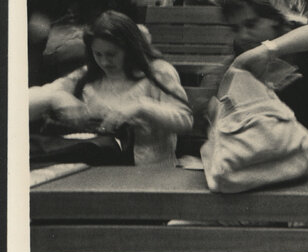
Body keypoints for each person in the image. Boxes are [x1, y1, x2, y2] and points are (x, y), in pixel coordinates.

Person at [29, 11, 192, 167]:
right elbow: (21, 103)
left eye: (111, 54)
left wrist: (142, 107)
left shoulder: (158, 72)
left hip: (150, 174)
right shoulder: (88, 74)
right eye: (98, 54)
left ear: (129, 49)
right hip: (96, 169)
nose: (104, 62)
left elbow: (185, 120)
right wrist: (56, 97)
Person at [213, 0, 308, 166]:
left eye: (251, 24)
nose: (243, 35)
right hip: (267, 161)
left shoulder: (301, 38)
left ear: (272, 18)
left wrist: (268, 50)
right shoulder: (241, 50)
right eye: (236, 29)